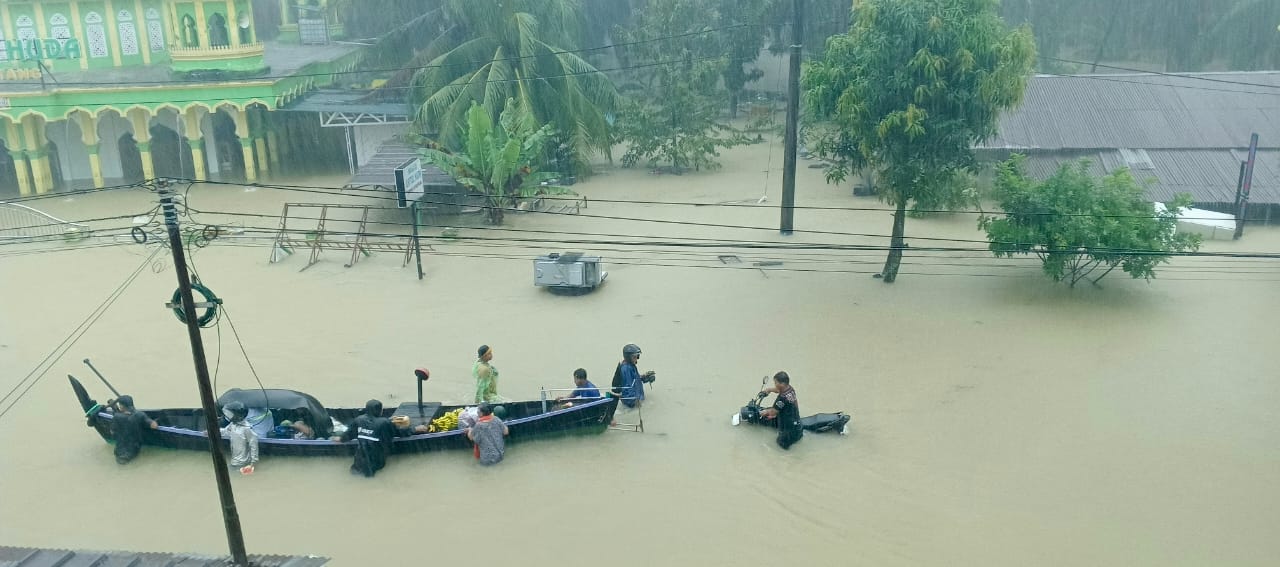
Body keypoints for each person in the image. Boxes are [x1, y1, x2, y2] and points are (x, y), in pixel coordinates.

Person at [333, 399, 399, 477]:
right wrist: (414, 429)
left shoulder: (358, 420)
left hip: (359, 463)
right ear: (380, 411)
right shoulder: (385, 422)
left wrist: (340, 439)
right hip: (377, 462)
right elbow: (399, 432)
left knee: (357, 476)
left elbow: (348, 435)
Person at [758, 371, 803, 450]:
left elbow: (773, 412)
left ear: (782, 384)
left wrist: (763, 412)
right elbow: (778, 390)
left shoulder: (782, 398)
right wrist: (769, 390)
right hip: (796, 424)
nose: (775, 384)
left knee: (779, 446)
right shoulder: (790, 389)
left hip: (789, 430)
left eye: (776, 383)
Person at [109, 395, 158, 465]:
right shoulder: (140, 415)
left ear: (122, 406)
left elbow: (112, 432)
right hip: (134, 450)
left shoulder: (116, 417)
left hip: (120, 452)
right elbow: (154, 426)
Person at [220, 401, 260, 474]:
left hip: (243, 463)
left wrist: (253, 463)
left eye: (231, 414)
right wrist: (211, 432)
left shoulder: (247, 428)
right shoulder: (233, 424)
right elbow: (225, 431)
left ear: (238, 416)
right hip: (234, 460)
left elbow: (254, 445)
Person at [610, 344, 654, 408]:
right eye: (634, 357)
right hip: (632, 404)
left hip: (638, 399)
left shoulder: (631, 365)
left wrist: (645, 378)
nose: (636, 359)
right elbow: (627, 387)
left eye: (637, 356)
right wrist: (634, 401)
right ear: (628, 357)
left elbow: (634, 379)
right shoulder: (626, 369)